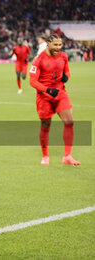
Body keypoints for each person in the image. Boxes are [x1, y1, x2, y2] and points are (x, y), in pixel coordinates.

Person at [29, 34, 80, 165]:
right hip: (44, 96)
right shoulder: (38, 59)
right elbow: (32, 81)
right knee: (46, 125)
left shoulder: (63, 56)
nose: (58, 47)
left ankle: (67, 156)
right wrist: (47, 90)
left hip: (60, 93)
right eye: (55, 45)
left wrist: (66, 77)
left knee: (69, 122)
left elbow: (67, 72)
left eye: (60, 45)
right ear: (48, 44)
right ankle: (45, 155)